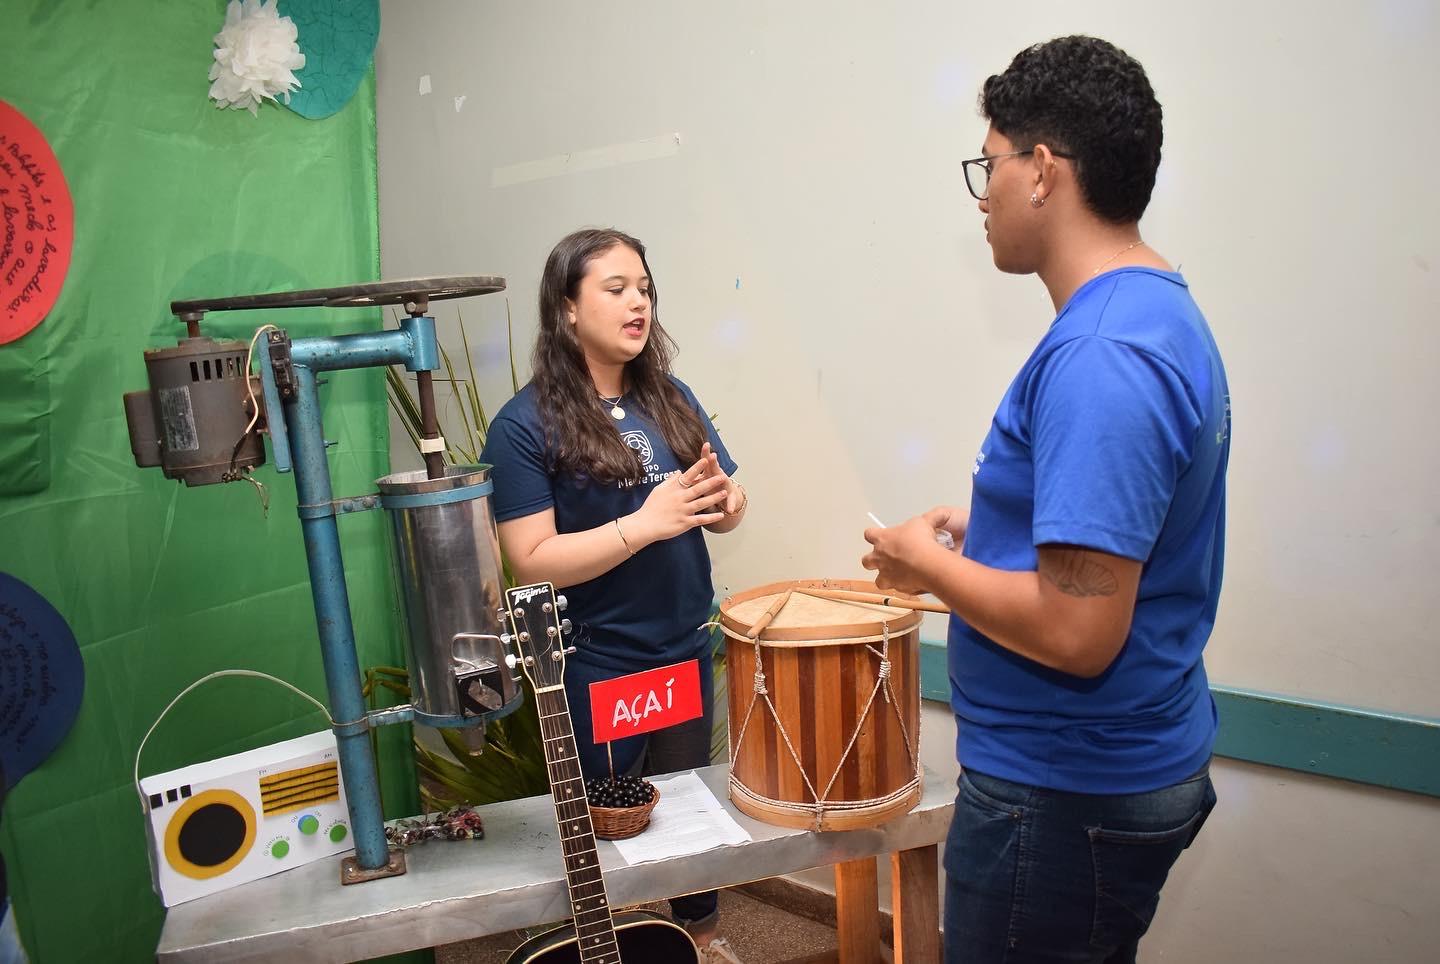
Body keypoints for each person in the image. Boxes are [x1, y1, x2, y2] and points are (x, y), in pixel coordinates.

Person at [861, 36, 1228, 963]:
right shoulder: (1154, 310)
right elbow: (1121, 543)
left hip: (1064, 794)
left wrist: (928, 567)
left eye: (989, 165)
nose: (982, 194)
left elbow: (1078, 632)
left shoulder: (1103, 356)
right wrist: (995, 531)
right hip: (1110, 769)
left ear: (1043, 172)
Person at [481, 227, 748, 963]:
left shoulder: (669, 395)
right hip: (597, 668)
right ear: (566, 308)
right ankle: (610, 945)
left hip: (685, 653)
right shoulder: (522, 425)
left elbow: (725, 503)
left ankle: (701, 939)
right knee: (604, 833)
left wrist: (725, 503)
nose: (639, 303)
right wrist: (645, 524)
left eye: (645, 288)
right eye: (616, 288)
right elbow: (532, 561)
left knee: (691, 817)